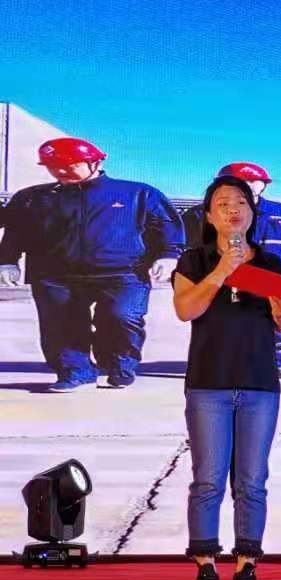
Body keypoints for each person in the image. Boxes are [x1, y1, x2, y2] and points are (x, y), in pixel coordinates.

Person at [173, 175, 281, 580]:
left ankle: (247, 569)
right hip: (209, 383)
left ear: (252, 211)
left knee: (252, 481)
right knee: (208, 480)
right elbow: (186, 310)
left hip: (260, 383)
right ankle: (206, 569)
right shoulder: (194, 260)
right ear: (209, 216)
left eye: (241, 202)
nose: (233, 209)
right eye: (223, 203)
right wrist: (223, 270)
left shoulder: (272, 263)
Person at [0, 137, 184, 391]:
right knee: (61, 325)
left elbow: (165, 226)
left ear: (95, 162)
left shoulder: (138, 193)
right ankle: (76, 373)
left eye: (70, 165)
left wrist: (169, 255)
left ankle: (119, 365)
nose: (60, 171)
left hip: (123, 273)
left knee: (121, 318)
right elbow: (15, 232)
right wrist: (7, 261)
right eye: (52, 166)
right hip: (55, 275)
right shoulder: (31, 198)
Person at [182, 162, 281, 377]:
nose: (245, 185)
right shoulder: (198, 215)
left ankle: (277, 361)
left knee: (277, 313)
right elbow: (193, 244)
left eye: (252, 181)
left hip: (273, 274)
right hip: (226, 274)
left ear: (264, 185)